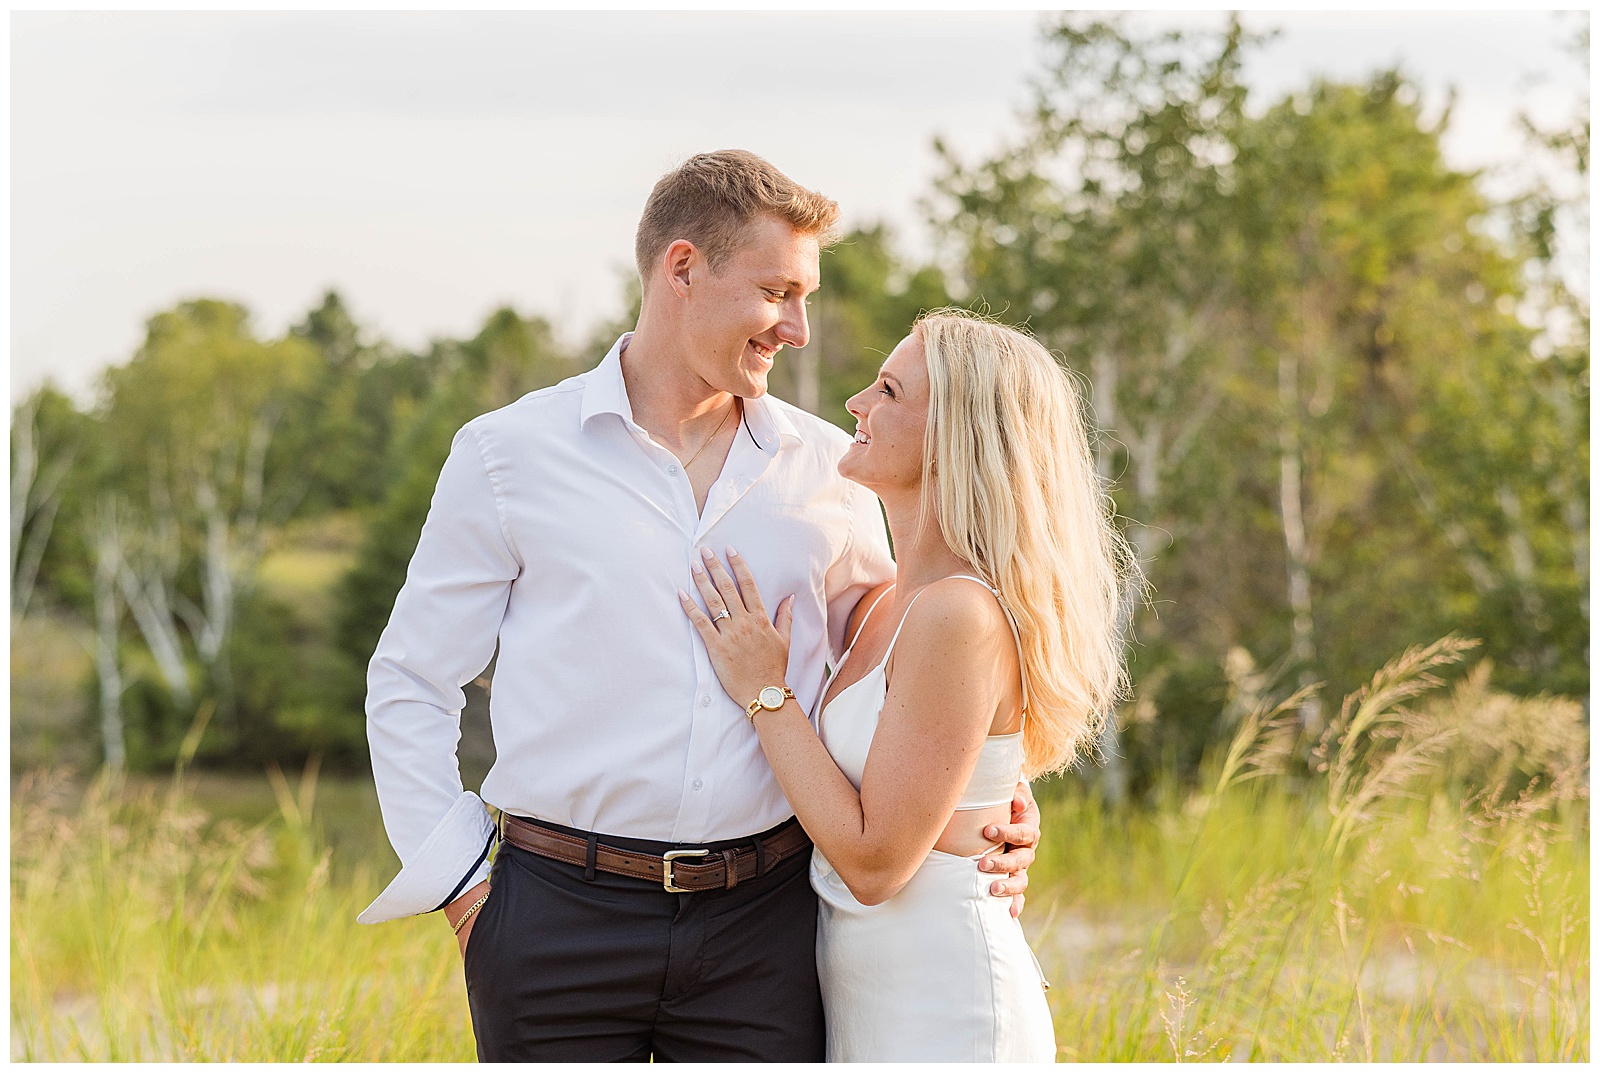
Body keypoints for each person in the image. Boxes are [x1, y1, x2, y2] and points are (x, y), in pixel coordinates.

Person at [357, 150, 1042, 1062]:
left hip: (765, 928)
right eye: (777, 291)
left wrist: (996, 791)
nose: (798, 328)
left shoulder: (827, 468)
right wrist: (463, 889)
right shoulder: (507, 455)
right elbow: (409, 681)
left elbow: (907, 660)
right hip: (554, 918)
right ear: (683, 268)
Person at [680, 309, 1133, 1062]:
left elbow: (875, 862)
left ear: (955, 435)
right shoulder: (893, 599)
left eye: (888, 389)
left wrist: (766, 691)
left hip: (944, 1004)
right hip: (870, 995)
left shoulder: (958, 612)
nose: (857, 402)